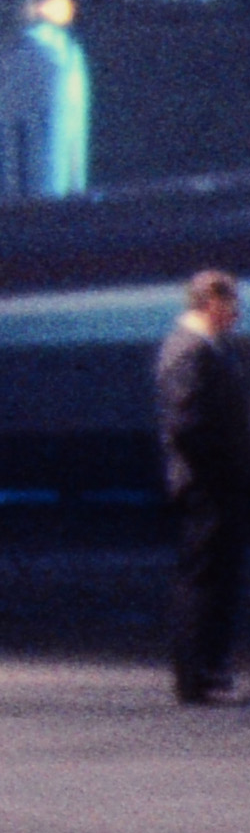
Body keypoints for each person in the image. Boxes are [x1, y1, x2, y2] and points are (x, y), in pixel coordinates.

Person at [165, 273, 240, 710]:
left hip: (218, 483)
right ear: (210, 301)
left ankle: (211, 671)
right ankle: (197, 676)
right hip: (207, 484)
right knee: (204, 580)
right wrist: (224, 468)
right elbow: (186, 425)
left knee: (218, 578)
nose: (237, 312)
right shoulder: (190, 350)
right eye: (231, 303)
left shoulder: (211, 348)